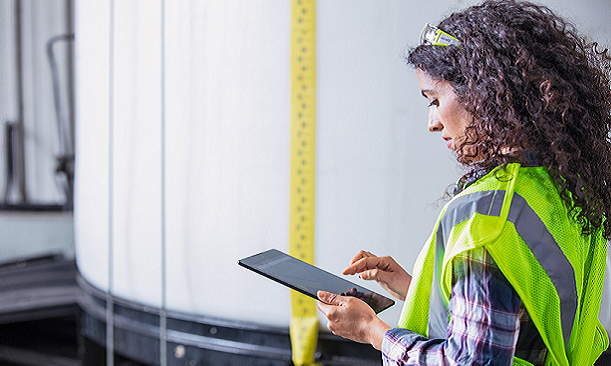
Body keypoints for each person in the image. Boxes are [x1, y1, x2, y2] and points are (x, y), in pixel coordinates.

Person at [316, 0, 611, 364]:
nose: (432, 122)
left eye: (435, 99)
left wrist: (372, 330)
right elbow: (527, 315)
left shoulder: (486, 220)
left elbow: (471, 361)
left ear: (484, 92)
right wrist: (416, 286)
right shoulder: (565, 186)